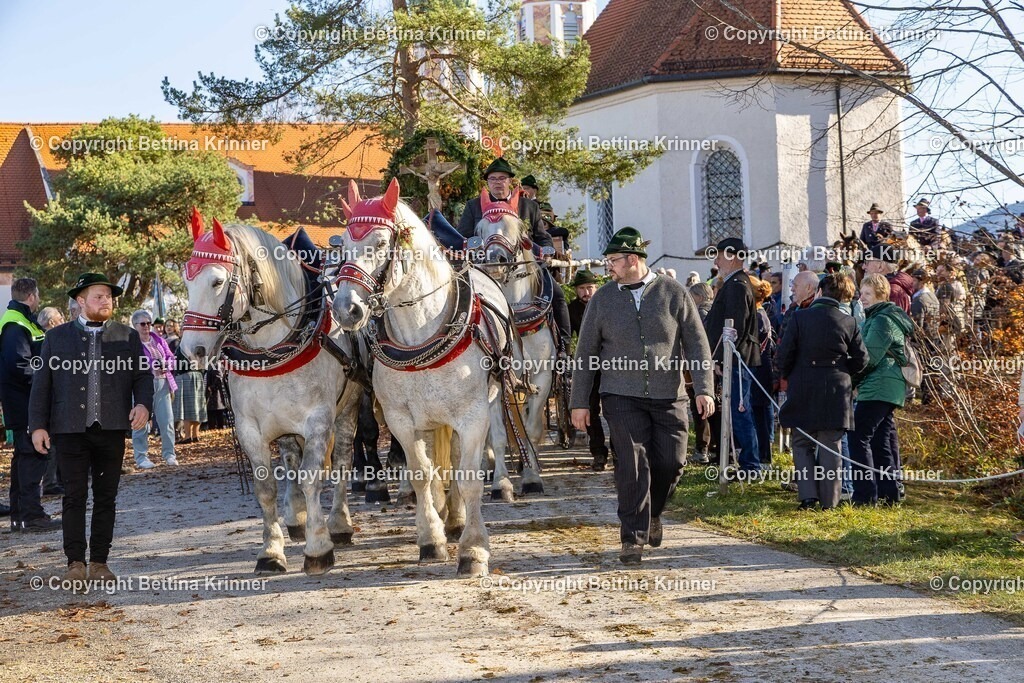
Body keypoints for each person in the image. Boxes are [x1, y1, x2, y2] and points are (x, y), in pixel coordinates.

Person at [570, 227, 714, 565]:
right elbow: (586, 351)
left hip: (669, 394)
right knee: (632, 466)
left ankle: (653, 514)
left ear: (633, 259)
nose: (609, 267)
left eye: (614, 261)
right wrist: (579, 401)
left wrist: (704, 389)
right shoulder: (603, 299)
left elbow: (696, 343)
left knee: (672, 462)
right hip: (620, 394)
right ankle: (631, 539)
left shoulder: (673, 293)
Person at [29, 273, 153, 584]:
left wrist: (143, 405)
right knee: (74, 496)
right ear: (81, 301)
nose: (106, 301)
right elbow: (42, 386)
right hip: (69, 429)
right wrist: (37, 426)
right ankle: (75, 562)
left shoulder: (127, 336)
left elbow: (143, 376)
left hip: (110, 429)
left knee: (106, 497)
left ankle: (99, 561)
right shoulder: (56, 339)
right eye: (98, 296)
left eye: (109, 296)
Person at [776, 274, 868, 510]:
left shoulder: (800, 317)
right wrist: (843, 371)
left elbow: (784, 354)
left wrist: (789, 373)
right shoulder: (849, 322)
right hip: (836, 388)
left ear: (819, 292)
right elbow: (862, 359)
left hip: (804, 384)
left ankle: (808, 496)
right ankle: (831, 500)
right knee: (831, 445)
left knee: (802, 442)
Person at [457, 157, 570, 344]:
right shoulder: (473, 206)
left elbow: (542, 235)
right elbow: (463, 236)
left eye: (502, 178)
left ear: (510, 181)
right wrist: (475, 247)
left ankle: (564, 347)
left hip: (526, 266)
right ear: (487, 183)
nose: (498, 183)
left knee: (557, 295)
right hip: (486, 268)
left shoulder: (529, 206)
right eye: (493, 179)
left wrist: (545, 250)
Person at [849, 273, 913, 507]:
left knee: (858, 437)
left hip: (879, 386)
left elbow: (870, 358)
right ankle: (889, 495)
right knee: (880, 442)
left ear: (880, 294)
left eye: (867, 294)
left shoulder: (882, 320)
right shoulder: (878, 317)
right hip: (884, 386)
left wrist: (850, 381)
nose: (862, 298)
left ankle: (865, 495)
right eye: (861, 293)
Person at [1, 278, 56, 531]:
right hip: (24, 403)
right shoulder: (15, 323)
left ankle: (21, 516)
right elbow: (19, 365)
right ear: (32, 296)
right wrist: (45, 378)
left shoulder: (17, 319)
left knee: (25, 457)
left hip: (22, 401)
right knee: (33, 456)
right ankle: (31, 515)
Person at [703, 238, 761, 473]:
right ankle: (747, 461)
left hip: (737, 359)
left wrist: (720, 358)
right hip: (732, 359)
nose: (716, 260)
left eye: (720, 255)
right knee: (738, 410)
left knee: (740, 411)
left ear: (734, 256)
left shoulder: (737, 285)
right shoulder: (732, 283)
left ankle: (750, 464)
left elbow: (733, 326)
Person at [567, 269, 609, 470]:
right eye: (582, 288)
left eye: (589, 287)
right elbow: (567, 335)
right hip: (588, 365)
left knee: (615, 409)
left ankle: (620, 451)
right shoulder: (572, 309)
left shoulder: (607, 303)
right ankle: (598, 452)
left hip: (612, 364)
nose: (586, 292)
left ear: (597, 287)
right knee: (591, 409)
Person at [130, 310, 178, 469]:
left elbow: (172, 358)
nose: (146, 327)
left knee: (167, 422)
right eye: (143, 324)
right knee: (141, 423)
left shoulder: (159, 340)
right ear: (135, 325)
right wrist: (152, 365)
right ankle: (141, 457)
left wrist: (167, 365)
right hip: (143, 386)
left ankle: (169, 454)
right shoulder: (131, 342)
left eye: (149, 323)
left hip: (163, 383)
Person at [36, 307, 66, 496]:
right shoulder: (50, 340)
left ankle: (55, 480)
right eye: (60, 317)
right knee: (51, 443)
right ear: (53, 322)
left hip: (54, 398)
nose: (63, 320)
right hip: (52, 399)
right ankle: (49, 482)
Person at [687, 282, 716, 465]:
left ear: (698, 296)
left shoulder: (700, 314)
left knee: (701, 411)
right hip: (713, 366)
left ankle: (702, 449)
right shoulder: (714, 312)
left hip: (701, 368)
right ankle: (712, 447)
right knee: (711, 411)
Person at [750, 278, 777, 467]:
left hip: (760, 369)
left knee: (759, 413)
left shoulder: (759, 316)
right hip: (757, 367)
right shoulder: (756, 314)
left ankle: (764, 456)